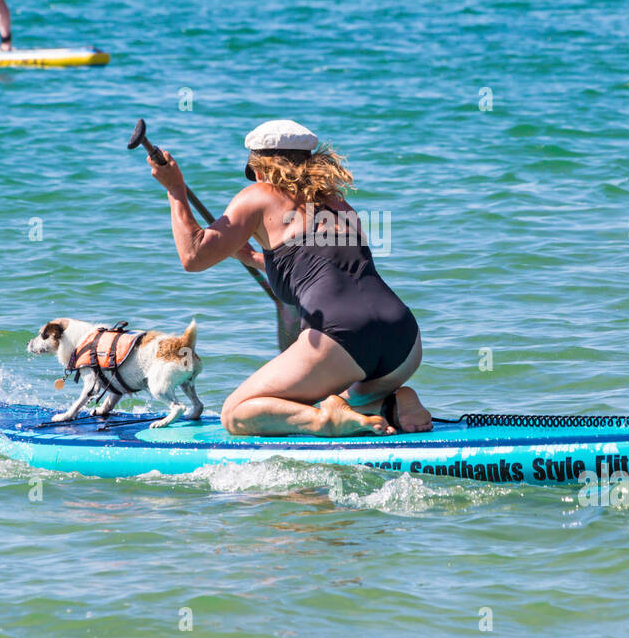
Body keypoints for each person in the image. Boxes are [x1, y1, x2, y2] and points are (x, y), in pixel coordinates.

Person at [146, 120, 431, 437]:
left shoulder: (259, 195)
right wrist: (254, 258)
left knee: (237, 414)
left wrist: (175, 190)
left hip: (343, 337)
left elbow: (193, 256)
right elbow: (326, 270)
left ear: (262, 167)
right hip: (404, 341)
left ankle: (326, 423)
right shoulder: (338, 204)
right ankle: (388, 403)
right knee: (341, 399)